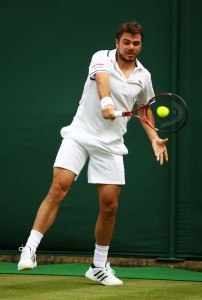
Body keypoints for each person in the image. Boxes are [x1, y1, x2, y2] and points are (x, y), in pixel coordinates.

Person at [18, 21, 168, 286]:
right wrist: (107, 103)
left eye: (136, 43)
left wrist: (155, 138)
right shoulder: (101, 58)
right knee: (58, 187)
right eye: (126, 42)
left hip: (111, 145)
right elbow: (101, 81)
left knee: (110, 206)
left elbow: (145, 108)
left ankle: (98, 265)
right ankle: (30, 248)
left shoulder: (144, 76)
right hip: (80, 135)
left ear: (140, 45)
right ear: (117, 42)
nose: (131, 48)